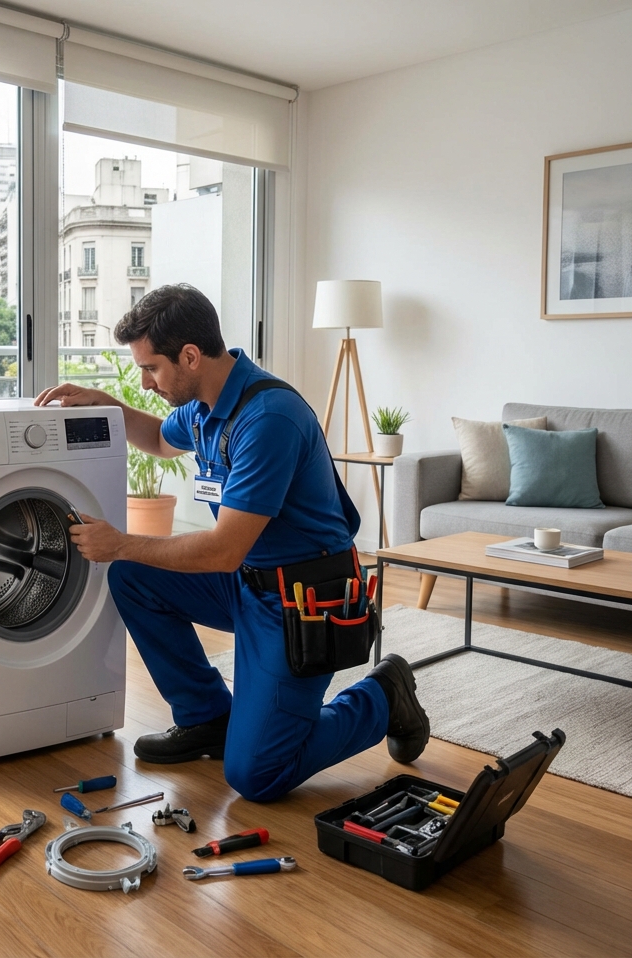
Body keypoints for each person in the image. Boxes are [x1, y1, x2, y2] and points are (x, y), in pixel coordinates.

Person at [35, 284, 428, 803]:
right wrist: (107, 406)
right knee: (133, 578)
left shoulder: (267, 419)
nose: (146, 383)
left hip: (300, 603)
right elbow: (158, 439)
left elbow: (222, 550)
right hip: (245, 582)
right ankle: (208, 720)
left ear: (191, 356)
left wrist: (120, 542)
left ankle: (384, 694)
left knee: (257, 775)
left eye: (151, 368)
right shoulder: (204, 405)